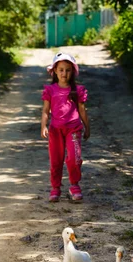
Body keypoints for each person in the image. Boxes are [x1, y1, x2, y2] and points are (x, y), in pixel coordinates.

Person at [41, 52, 90, 202]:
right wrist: (44, 125)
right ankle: (55, 187)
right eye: (61, 70)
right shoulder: (50, 90)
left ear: (72, 72)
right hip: (56, 130)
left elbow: (82, 110)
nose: (64, 73)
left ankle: (74, 185)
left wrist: (87, 127)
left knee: (75, 158)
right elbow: (45, 110)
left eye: (68, 70)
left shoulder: (77, 90)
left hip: (73, 129)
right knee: (56, 159)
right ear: (55, 70)